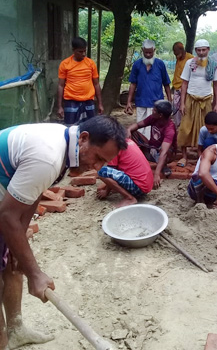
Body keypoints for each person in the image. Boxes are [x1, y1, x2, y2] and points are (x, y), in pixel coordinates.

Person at [0, 116, 125, 348]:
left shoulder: (66, 144)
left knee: (14, 259)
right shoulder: (49, 156)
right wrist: (36, 275)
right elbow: (6, 217)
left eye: (103, 162)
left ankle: (16, 329)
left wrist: (20, 248)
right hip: (3, 196)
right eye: (97, 158)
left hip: (5, 185)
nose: (97, 168)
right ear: (84, 139)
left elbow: (34, 192)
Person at [178, 39, 217, 167]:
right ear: (196, 51)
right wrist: (182, 103)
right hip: (191, 99)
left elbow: (216, 84)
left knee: (206, 130)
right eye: (199, 50)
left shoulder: (213, 64)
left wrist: (216, 103)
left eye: (204, 50)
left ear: (208, 50)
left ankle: (202, 156)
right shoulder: (189, 63)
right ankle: (184, 157)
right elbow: (184, 83)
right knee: (185, 128)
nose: (201, 52)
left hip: (206, 100)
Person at [125, 39, 172, 138]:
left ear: (154, 50)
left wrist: (169, 100)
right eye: (146, 52)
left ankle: (152, 150)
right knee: (140, 127)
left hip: (156, 103)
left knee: (153, 128)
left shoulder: (160, 64)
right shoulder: (137, 65)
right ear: (142, 50)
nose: (148, 54)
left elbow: (166, 83)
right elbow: (133, 84)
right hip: (141, 101)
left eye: (150, 52)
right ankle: (141, 148)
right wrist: (128, 102)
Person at [126, 100, 176, 189]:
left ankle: (163, 166)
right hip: (151, 147)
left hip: (162, 153)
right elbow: (137, 125)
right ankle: (131, 158)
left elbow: (164, 152)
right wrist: (129, 130)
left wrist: (156, 174)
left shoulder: (170, 129)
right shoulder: (153, 118)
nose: (152, 111)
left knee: (164, 151)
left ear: (160, 115)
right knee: (133, 133)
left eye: (154, 110)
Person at [57, 37, 104, 125]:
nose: (83, 54)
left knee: (90, 128)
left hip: (88, 100)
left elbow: (96, 84)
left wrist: (100, 103)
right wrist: (59, 106)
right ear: (73, 50)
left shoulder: (90, 63)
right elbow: (60, 85)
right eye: (80, 51)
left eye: (84, 51)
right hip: (71, 100)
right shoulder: (65, 64)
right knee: (70, 128)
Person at [97, 138, 153, 207]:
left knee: (101, 171)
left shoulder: (115, 146)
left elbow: (110, 171)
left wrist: (106, 192)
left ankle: (129, 198)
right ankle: (128, 193)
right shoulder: (128, 141)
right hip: (147, 186)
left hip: (139, 188)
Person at [171, 42, 195, 128]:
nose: (176, 55)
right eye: (174, 53)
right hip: (177, 89)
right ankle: (179, 128)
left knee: (185, 110)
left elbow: (192, 77)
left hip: (185, 90)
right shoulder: (179, 58)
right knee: (176, 111)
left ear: (181, 49)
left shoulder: (191, 59)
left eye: (176, 53)